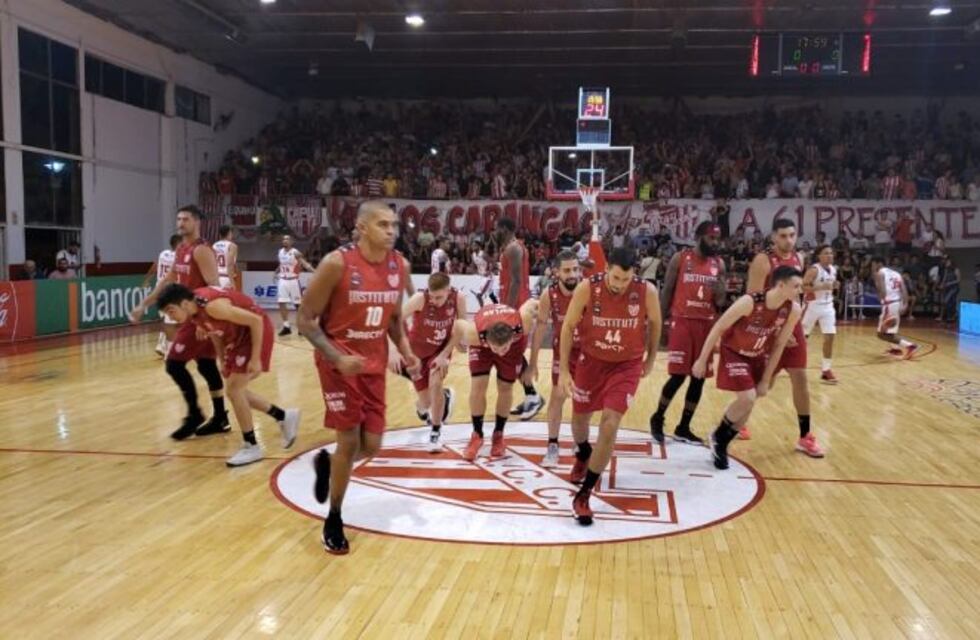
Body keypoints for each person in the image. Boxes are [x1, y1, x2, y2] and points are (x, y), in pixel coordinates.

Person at [298, 201, 420, 555]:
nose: (391, 231)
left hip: (373, 365)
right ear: (362, 227)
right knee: (349, 442)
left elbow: (394, 319)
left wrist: (406, 350)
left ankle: (328, 464)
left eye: (394, 225)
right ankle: (334, 518)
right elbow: (306, 319)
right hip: (337, 365)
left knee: (372, 446)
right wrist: (336, 356)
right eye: (383, 224)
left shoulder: (399, 265)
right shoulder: (336, 263)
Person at [557, 247, 661, 525]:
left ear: (633, 275)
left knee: (610, 422)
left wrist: (650, 358)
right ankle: (583, 452)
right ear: (606, 271)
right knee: (579, 422)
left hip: (626, 365)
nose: (619, 285)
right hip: (591, 362)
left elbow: (656, 322)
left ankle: (584, 494)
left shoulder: (646, 291)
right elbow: (567, 327)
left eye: (625, 280)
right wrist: (565, 371)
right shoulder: (586, 288)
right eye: (615, 278)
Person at [156, 283, 300, 466]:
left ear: (183, 304)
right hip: (237, 338)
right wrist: (222, 358)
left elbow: (256, 320)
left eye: (171, 312)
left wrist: (255, 358)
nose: (171, 318)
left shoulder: (213, 307)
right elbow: (214, 332)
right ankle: (284, 416)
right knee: (235, 390)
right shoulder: (194, 311)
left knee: (234, 390)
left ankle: (252, 445)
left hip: (255, 332)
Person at [129, 205, 228, 440]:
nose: (180, 223)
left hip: (199, 317)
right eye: (178, 219)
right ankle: (220, 417)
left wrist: (207, 321)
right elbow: (168, 279)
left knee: (173, 364)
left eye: (185, 219)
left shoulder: (202, 250)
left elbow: (214, 286)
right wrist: (145, 303)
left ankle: (194, 415)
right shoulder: (182, 249)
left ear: (197, 222)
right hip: (192, 317)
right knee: (206, 366)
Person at [694, 266, 805, 470]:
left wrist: (765, 379)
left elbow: (780, 344)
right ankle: (718, 435)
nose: (800, 290)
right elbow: (719, 327)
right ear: (781, 285)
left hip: (758, 356)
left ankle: (721, 443)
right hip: (734, 352)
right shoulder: (750, 302)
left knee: (749, 404)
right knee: (747, 398)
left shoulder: (793, 310)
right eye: (796, 286)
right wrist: (702, 359)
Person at [745, 218, 824, 457]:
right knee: (763, 383)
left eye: (791, 235)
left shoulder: (799, 258)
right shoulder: (762, 260)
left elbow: (797, 293)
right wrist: (776, 331)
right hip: (768, 327)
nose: (788, 240)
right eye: (783, 236)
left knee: (800, 378)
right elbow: (753, 300)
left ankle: (805, 436)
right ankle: (736, 421)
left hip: (792, 324)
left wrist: (792, 324)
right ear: (773, 237)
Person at [649, 222, 726, 445]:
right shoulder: (680, 258)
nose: (715, 243)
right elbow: (667, 292)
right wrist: (661, 324)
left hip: (706, 326)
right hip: (682, 323)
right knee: (678, 376)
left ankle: (683, 426)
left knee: (698, 378)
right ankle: (658, 417)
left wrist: (721, 287)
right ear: (700, 237)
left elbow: (720, 301)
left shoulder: (718, 264)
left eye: (717, 239)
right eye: (712, 238)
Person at [435, 300, 537, 461]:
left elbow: (532, 303)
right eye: (496, 349)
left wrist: (532, 364)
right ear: (487, 341)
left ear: (512, 337)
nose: (500, 353)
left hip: (514, 347)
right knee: (478, 386)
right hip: (481, 345)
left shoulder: (523, 322)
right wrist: (446, 353)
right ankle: (477, 434)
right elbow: (458, 325)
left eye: (503, 348)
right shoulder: (473, 334)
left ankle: (498, 434)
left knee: (505, 387)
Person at [399, 272, 467, 451]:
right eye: (432, 296)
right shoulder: (419, 299)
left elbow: (460, 329)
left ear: (448, 290)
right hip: (417, 353)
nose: (435, 300)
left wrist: (445, 353)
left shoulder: (458, 298)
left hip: (440, 351)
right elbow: (395, 320)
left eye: (439, 297)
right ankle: (442, 398)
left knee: (435, 384)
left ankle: (435, 433)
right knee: (426, 402)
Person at [527, 250, 582, 467]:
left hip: (587, 353)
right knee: (557, 396)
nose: (572, 274)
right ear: (556, 272)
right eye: (567, 270)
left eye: (576, 269)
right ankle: (552, 445)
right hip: (563, 352)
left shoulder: (587, 291)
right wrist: (532, 362)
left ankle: (580, 440)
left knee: (582, 400)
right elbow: (539, 328)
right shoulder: (548, 295)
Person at [495, 218, 544, 420]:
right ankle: (531, 395)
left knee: (510, 352)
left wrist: (506, 310)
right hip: (515, 305)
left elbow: (516, 281)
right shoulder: (514, 247)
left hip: (516, 307)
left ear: (505, 229)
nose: (495, 231)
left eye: (497, 228)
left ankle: (533, 396)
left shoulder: (513, 248)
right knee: (511, 352)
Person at [801, 245, 840, 384]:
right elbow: (803, 287)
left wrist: (835, 285)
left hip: (828, 306)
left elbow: (829, 286)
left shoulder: (833, 269)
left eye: (831, 253)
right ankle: (789, 362)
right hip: (811, 306)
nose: (830, 255)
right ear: (819, 256)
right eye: (826, 253)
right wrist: (821, 287)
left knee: (829, 337)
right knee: (801, 339)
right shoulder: (814, 269)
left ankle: (826, 370)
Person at [142, 234, 181, 357]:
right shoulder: (178, 257)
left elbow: (154, 265)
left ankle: (162, 346)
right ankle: (166, 349)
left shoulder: (163, 253)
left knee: (167, 319)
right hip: (169, 291)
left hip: (159, 291)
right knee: (171, 321)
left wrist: (147, 279)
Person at [871, 256, 918, 358]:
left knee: (881, 334)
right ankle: (895, 350)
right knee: (891, 330)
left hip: (889, 304)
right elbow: (904, 290)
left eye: (873, 264)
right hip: (897, 303)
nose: (872, 267)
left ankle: (910, 346)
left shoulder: (880, 273)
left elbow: (883, 293)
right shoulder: (896, 273)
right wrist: (905, 305)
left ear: (878, 264)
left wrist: (878, 288)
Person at [276, 234, 315, 336]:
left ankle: (301, 327)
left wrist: (315, 272)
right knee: (281, 302)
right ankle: (286, 326)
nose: (285, 241)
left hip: (293, 280)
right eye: (283, 239)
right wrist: (276, 272)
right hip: (282, 280)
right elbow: (282, 264)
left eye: (287, 239)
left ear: (291, 242)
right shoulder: (280, 252)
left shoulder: (295, 252)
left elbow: (304, 264)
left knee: (298, 305)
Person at [212, 225, 239, 289]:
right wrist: (232, 282)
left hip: (216, 277)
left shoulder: (214, 245)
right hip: (226, 278)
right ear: (229, 233)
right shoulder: (232, 246)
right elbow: (230, 264)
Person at [939, 257, 961, 327]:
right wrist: (942, 284)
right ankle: (950, 317)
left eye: (947, 262)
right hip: (947, 288)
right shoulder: (946, 270)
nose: (946, 263)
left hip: (954, 288)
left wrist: (950, 283)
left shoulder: (956, 269)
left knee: (947, 301)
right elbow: (944, 279)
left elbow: (958, 280)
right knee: (950, 302)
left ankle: (952, 315)